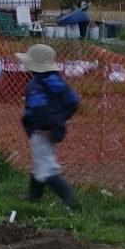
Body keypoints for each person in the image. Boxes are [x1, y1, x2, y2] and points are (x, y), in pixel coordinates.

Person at [17, 44, 80, 207]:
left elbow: (39, 110)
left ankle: (69, 198)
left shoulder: (36, 86)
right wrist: (60, 120)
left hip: (40, 130)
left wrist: (43, 126)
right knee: (40, 162)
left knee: (46, 166)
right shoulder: (57, 82)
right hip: (53, 129)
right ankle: (34, 196)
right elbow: (73, 100)